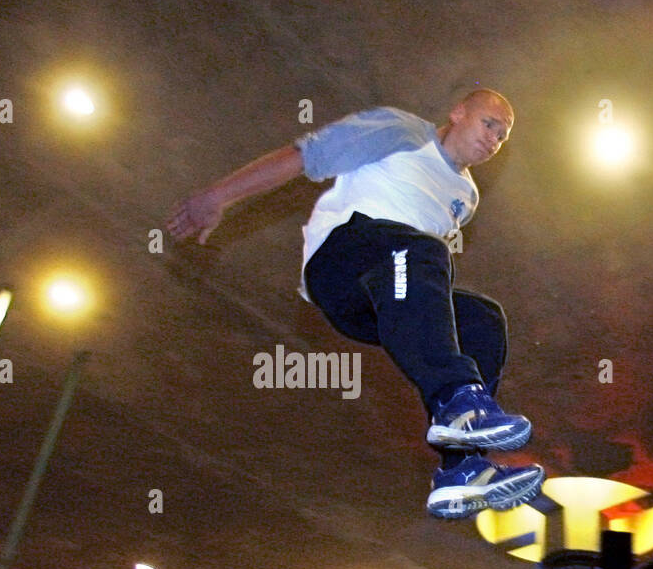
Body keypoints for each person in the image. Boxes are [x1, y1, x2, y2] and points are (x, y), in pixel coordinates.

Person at [168, 89, 545, 520]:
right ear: (458, 113)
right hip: (341, 263)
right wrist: (218, 196)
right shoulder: (401, 130)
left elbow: (422, 286)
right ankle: (458, 399)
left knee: (483, 319)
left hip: (381, 302)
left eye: (502, 136)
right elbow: (306, 155)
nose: (493, 139)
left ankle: (462, 470)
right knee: (421, 250)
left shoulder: (467, 197)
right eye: (488, 123)